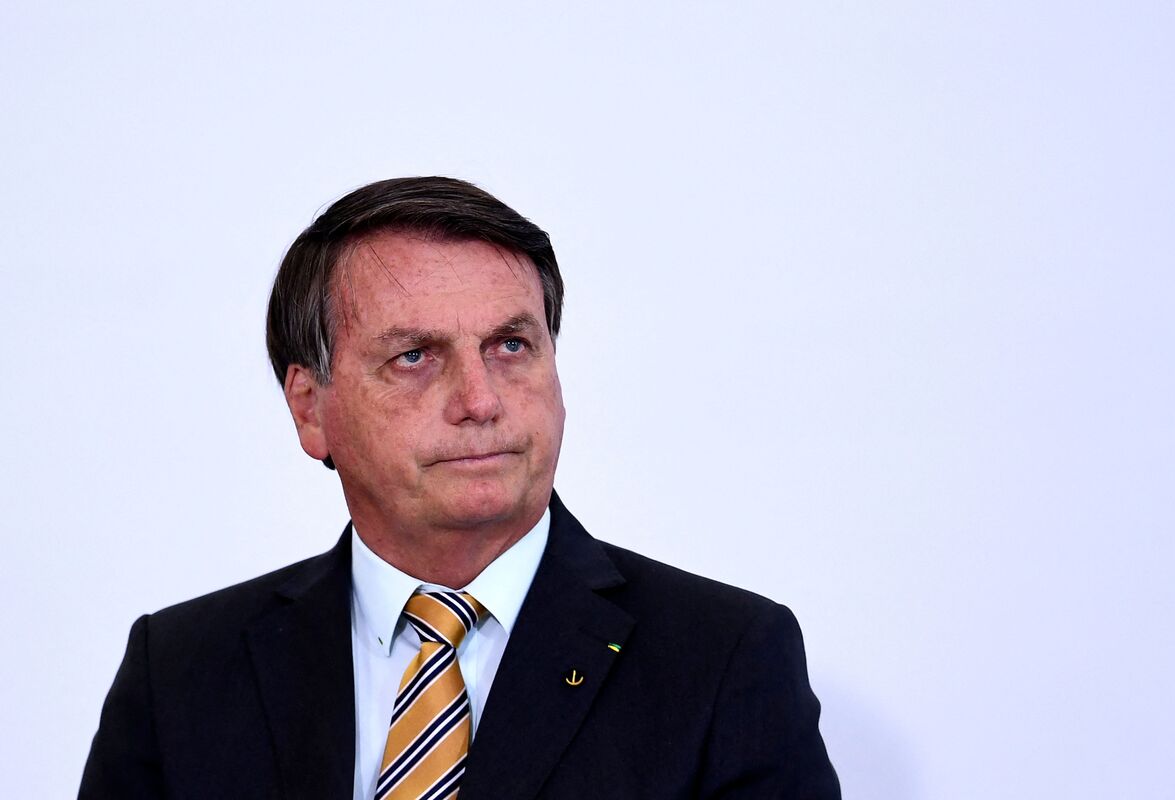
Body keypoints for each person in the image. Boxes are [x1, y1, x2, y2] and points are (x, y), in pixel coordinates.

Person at [79, 177, 841, 799]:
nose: (481, 399)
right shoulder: (181, 672)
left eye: (511, 346)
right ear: (310, 408)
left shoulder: (724, 659)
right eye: (416, 357)